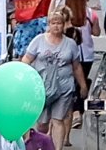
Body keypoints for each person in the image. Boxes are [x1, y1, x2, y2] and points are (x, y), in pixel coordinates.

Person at [19, 10, 85, 150]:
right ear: (49, 24)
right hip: (42, 87)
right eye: (53, 23)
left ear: (63, 25)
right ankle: (41, 144)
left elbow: (77, 67)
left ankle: (57, 148)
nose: (56, 26)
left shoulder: (71, 44)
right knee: (42, 123)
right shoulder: (38, 41)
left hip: (64, 88)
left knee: (58, 120)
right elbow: (27, 59)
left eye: (59, 23)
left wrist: (83, 85)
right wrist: (21, 76)